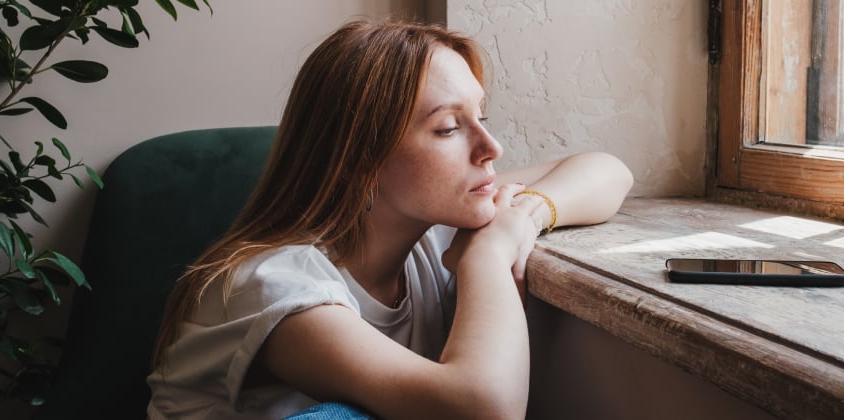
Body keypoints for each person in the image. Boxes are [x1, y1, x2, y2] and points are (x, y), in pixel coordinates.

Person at [147, 19, 633, 419]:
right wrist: (487, 255)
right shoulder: (275, 287)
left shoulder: (428, 220)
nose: (491, 149)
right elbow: (484, 409)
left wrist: (524, 218)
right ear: (359, 158)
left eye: (482, 116)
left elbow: (608, 172)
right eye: (447, 128)